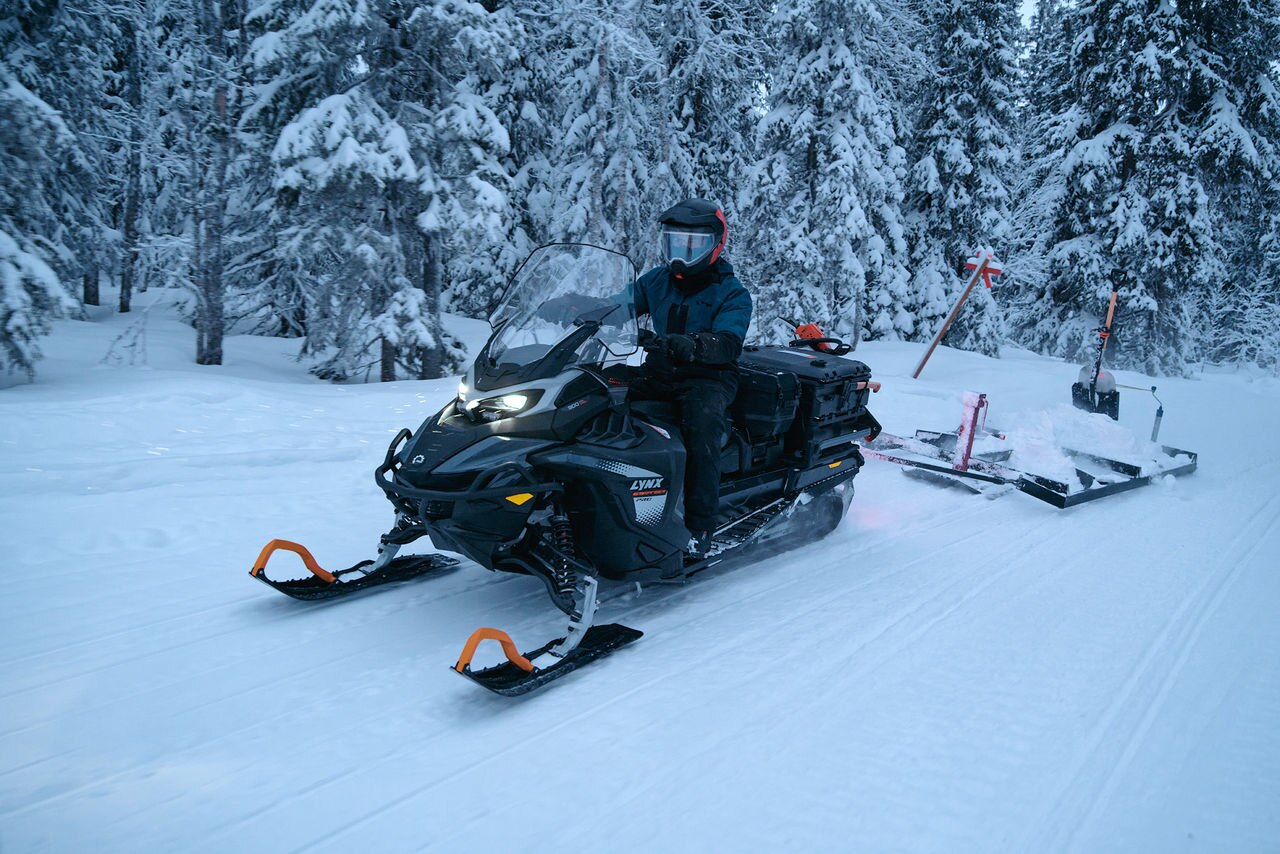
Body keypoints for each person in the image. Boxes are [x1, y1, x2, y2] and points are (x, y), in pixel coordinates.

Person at [629, 198, 752, 554]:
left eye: (693, 244)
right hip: (660, 371)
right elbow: (621, 304)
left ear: (716, 245)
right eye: (675, 242)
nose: (682, 253)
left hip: (709, 378)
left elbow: (728, 343)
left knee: (702, 425)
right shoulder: (657, 280)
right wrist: (581, 307)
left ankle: (700, 528)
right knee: (599, 397)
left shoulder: (731, 292)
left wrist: (694, 345)